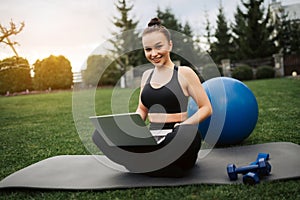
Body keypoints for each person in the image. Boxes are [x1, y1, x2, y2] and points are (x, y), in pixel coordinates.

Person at [92, 17, 212, 177]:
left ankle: (142, 166)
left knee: (189, 134)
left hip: (176, 138)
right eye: (148, 49)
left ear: (170, 45)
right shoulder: (146, 76)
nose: (153, 54)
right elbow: (142, 109)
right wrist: (128, 126)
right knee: (99, 135)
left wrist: (184, 126)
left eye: (158, 47)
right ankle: (161, 168)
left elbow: (206, 108)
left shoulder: (184, 73)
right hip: (150, 140)